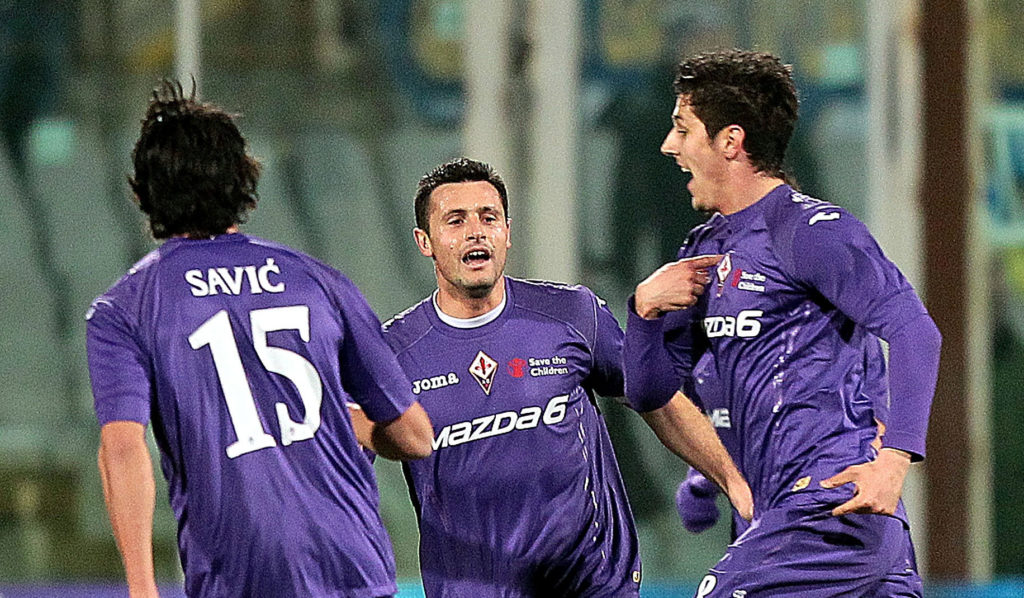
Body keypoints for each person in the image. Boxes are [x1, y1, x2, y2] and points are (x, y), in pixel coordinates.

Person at [85, 81, 433, 598]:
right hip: (352, 567)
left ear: (144, 192)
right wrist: (342, 421)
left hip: (242, 576)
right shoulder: (318, 281)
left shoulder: (124, 309)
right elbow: (415, 436)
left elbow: (121, 447)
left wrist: (142, 587)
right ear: (243, 178)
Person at [623, 49, 940, 596]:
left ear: (730, 141)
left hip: (830, 512)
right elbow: (650, 392)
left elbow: (916, 333)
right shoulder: (703, 253)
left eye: (683, 129)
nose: (668, 146)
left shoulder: (813, 231)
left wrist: (893, 464)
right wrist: (644, 312)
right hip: (777, 524)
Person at [374, 157, 748, 597]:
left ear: (507, 232)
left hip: (592, 583)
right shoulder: (392, 353)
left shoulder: (572, 314)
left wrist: (736, 483)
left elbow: (655, 400)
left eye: (488, 218)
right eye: (456, 220)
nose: (476, 231)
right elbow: (342, 462)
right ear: (425, 241)